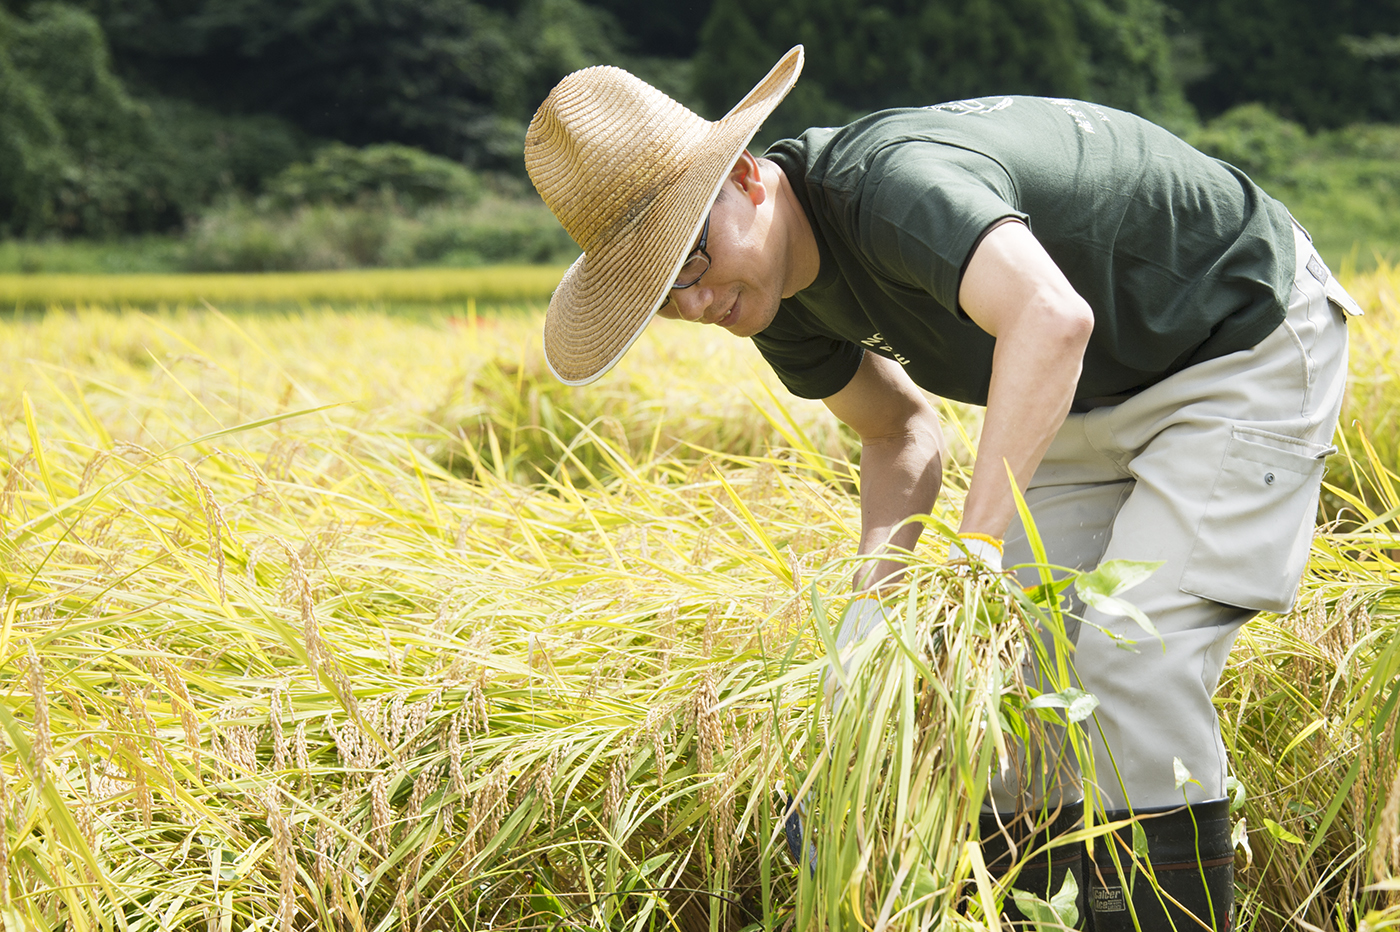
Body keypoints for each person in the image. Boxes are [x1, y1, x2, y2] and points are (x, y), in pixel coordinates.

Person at [523, 46, 1360, 931]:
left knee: (1128, 656)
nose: (694, 305)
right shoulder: (764, 296)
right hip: (1083, 392)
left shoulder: (891, 186)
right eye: (661, 294)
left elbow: (1052, 317)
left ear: (745, 179)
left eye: (688, 261)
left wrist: (968, 562)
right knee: (1003, 680)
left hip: (1235, 341)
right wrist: (875, 624)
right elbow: (898, 430)